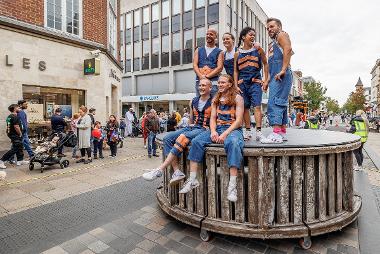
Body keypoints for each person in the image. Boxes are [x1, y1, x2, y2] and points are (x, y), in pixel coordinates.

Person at [179, 75, 244, 202]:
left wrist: (225, 134)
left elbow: (239, 121)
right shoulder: (216, 98)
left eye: (223, 82)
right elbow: (213, 118)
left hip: (233, 129)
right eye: (219, 82)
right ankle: (192, 179)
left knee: (234, 143)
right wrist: (213, 131)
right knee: (197, 141)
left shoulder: (238, 98)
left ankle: (232, 186)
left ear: (230, 84)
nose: (220, 84)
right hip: (218, 128)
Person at [143, 78, 213, 182]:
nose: (201, 87)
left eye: (204, 85)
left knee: (182, 137)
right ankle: (177, 172)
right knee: (167, 138)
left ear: (210, 88)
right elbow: (191, 117)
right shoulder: (194, 101)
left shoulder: (214, 101)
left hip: (205, 129)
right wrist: (190, 127)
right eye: (200, 85)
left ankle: (160, 169)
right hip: (194, 127)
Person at [261, 18, 294, 143]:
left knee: (274, 103)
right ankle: (281, 132)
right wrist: (266, 81)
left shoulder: (282, 35)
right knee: (281, 102)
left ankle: (275, 134)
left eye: (272, 26)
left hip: (282, 74)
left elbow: (288, 50)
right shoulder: (272, 44)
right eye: (268, 28)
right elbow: (270, 66)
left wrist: (283, 70)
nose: (269, 29)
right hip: (276, 75)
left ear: (279, 27)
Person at [234, 27, 269, 141]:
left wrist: (265, 79)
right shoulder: (237, 53)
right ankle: (247, 131)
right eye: (250, 34)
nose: (253, 36)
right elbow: (235, 71)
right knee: (245, 108)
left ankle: (258, 132)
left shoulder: (258, 49)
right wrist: (235, 85)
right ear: (243, 37)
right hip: (242, 83)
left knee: (257, 106)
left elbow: (265, 64)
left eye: (254, 35)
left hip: (255, 82)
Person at [193, 29, 223, 97]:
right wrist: (201, 76)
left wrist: (207, 77)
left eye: (211, 34)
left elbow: (220, 68)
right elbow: (195, 65)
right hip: (200, 82)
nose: (208, 36)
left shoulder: (220, 52)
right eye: (207, 34)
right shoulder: (198, 50)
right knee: (200, 102)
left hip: (214, 82)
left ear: (216, 37)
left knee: (214, 102)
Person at [0, 104, 29, 169]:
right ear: (15, 108)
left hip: (12, 134)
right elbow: (16, 126)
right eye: (18, 107)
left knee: (20, 146)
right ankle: (2, 160)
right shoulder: (15, 117)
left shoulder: (10, 116)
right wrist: (20, 133)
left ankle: (20, 160)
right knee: (15, 148)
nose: (19, 108)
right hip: (15, 134)